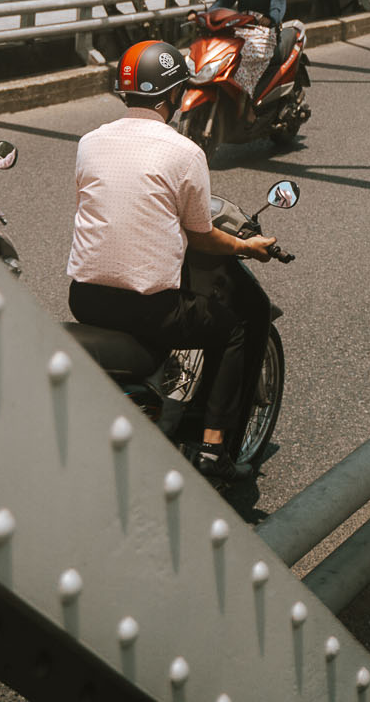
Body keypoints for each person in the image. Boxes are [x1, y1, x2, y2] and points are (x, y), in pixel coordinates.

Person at [67, 39, 277, 486]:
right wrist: (247, 247)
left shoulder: (90, 143)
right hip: (148, 309)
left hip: (84, 300)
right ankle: (214, 449)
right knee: (235, 326)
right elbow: (201, 237)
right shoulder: (185, 153)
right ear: (174, 96)